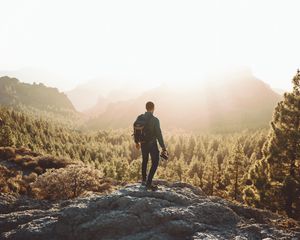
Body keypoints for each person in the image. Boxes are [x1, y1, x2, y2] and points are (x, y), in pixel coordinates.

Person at [134, 101, 167, 191]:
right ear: (153, 108)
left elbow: (136, 130)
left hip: (143, 143)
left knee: (144, 160)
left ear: (146, 108)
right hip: (152, 144)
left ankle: (144, 180)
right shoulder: (155, 120)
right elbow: (159, 134)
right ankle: (149, 183)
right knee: (155, 162)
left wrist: (137, 142)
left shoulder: (140, 117)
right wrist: (163, 147)